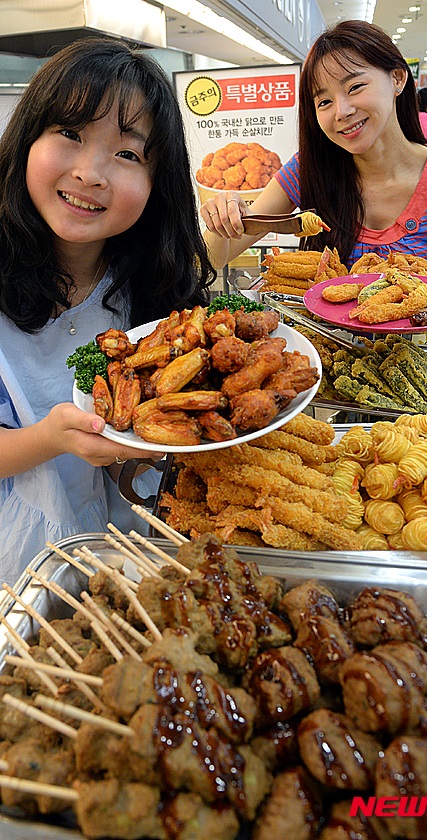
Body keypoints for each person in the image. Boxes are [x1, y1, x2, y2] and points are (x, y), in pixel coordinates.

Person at [0, 37, 215, 585]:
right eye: (70, 133)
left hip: (126, 558)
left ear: (156, 183)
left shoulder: (156, 287)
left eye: (127, 154)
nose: (90, 172)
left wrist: (144, 450)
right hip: (15, 575)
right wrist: (49, 439)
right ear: (28, 137)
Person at [202, 20, 427, 333]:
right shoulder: (309, 170)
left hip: (412, 350)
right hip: (319, 351)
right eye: (324, 102)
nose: (341, 112)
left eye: (354, 87)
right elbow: (211, 259)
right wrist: (224, 218)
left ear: (397, 78)